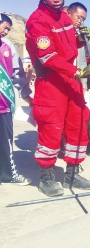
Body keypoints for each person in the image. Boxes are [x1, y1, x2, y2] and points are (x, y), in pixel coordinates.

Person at [25, 0, 90, 197]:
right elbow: (48, 57)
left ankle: (72, 175)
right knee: (51, 127)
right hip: (52, 81)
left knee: (78, 123)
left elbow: (67, 48)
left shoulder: (65, 16)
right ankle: (46, 177)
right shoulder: (37, 21)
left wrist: (80, 38)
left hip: (71, 79)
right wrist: (77, 72)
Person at [0, 14, 33, 185]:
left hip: (3, 105)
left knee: (5, 142)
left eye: (8, 29)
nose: (5, 32)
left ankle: (8, 174)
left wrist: (27, 95)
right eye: (4, 27)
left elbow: (18, 74)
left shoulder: (8, 47)